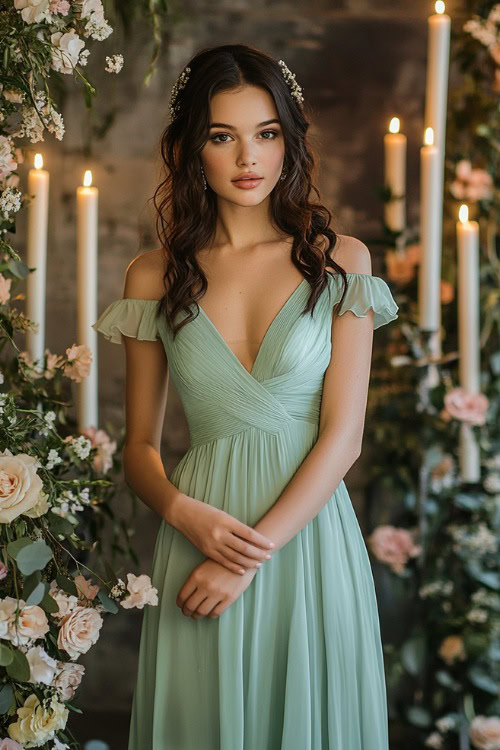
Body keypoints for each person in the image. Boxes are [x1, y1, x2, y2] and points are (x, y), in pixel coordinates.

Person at [92, 43, 399, 750]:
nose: (247, 157)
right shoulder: (153, 275)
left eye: (265, 134)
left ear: (289, 142)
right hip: (201, 528)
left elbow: (343, 435)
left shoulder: (341, 262)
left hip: (306, 538)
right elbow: (139, 447)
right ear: (189, 147)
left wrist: (243, 561)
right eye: (222, 136)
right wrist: (183, 515)